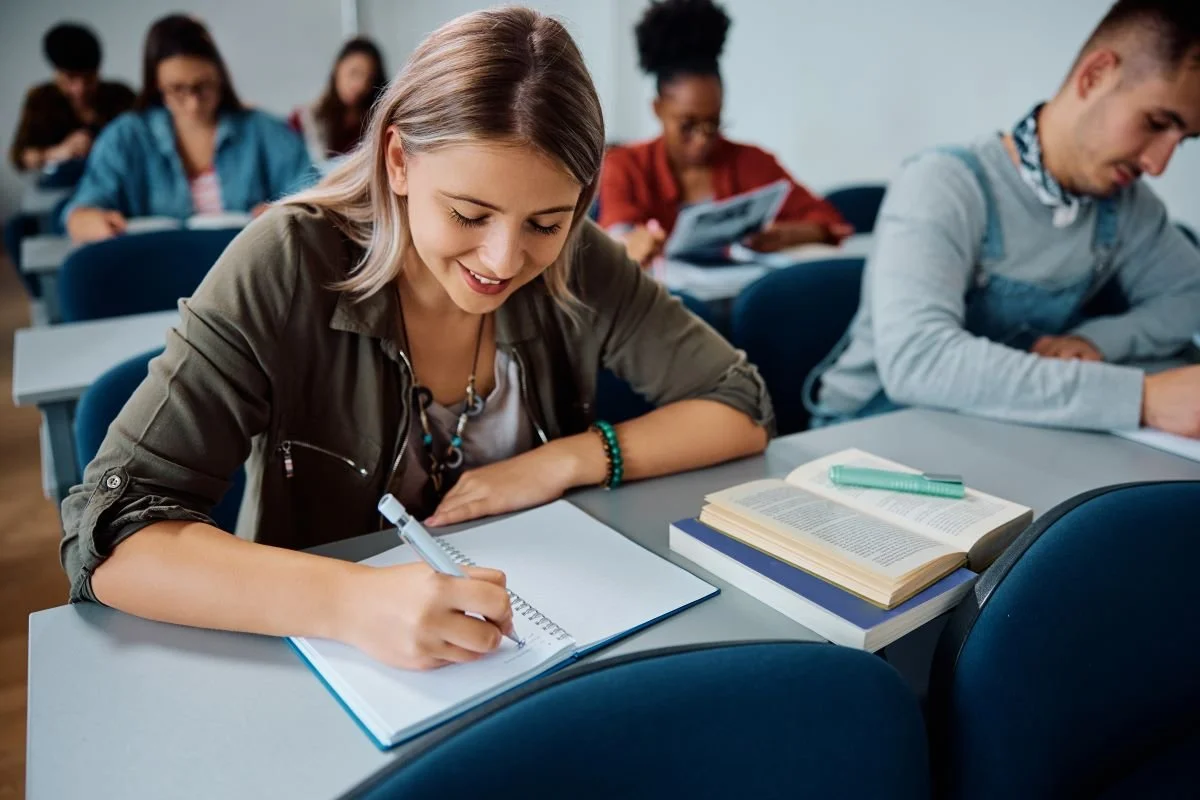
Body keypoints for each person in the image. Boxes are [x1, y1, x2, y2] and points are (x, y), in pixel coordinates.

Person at [60, 7, 772, 672]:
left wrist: (569, 460)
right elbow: (111, 533)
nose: (502, 261)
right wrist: (348, 601)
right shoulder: (286, 261)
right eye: (469, 213)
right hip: (331, 663)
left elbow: (739, 405)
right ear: (398, 162)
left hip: (532, 651)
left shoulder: (579, 259)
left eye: (545, 224)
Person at [811, 0, 1200, 438]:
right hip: (869, 432)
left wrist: (1098, 341)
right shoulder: (945, 183)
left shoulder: (1126, 203)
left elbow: (1188, 295)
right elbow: (919, 360)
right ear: (1094, 76)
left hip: (991, 424)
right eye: (1156, 122)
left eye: (1182, 140)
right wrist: (1141, 399)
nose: (1159, 163)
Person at [598, 0, 850, 268]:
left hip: (742, 298)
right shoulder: (626, 165)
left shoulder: (751, 162)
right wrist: (633, 244)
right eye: (688, 125)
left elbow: (829, 222)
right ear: (658, 109)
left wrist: (785, 235)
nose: (702, 139)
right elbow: (616, 234)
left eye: (714, 124)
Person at [62, 14, 314, 243]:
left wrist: (287, 212)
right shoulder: (125, 137)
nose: (193, 104)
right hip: (156, 276)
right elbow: (84, 207)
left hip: (251, 277)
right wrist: (87, 219)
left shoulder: (264, 130)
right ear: (156, 86)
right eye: (177, 89)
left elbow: (313, 195)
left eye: (203, 86)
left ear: (221, 79)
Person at [9, 22, 135, 172]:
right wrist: (56, 153)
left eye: (88, 79)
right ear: (56, 73)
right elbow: (19, 157)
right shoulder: (41, 99)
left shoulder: (120, 95)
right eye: (70, 79)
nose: (79, 89)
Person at [289, 37, 387, 166]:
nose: (360, 85)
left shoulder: (376, 124)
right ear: (337, 67)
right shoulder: (305, 120)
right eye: (354, 73)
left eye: (369, 79)